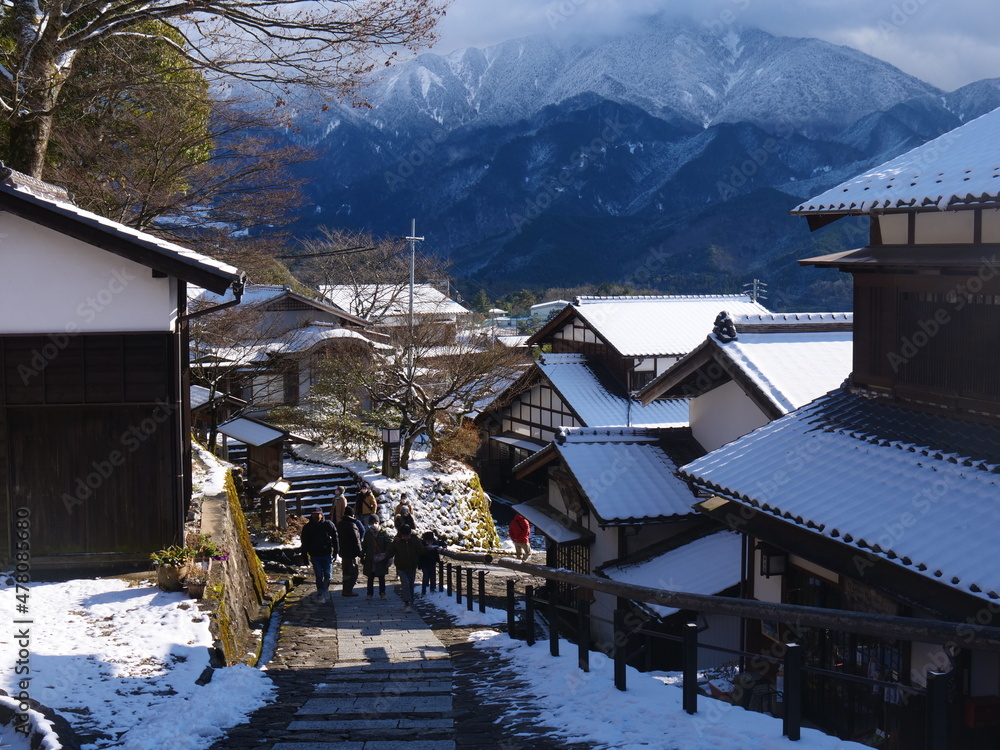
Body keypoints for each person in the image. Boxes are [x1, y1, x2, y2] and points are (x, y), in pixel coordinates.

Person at [298, 506, 339, 597]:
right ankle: (320, 591)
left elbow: (335, 538)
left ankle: (325, 588)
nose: (315, 517)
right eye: (313, 515)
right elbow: (304, 542)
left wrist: (336, 551)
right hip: (315, 554)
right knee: (319, 574)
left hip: (326, 553)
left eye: (317, 515)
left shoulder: (328, 524)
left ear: (322, 515)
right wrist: (304, 556)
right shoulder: (308, 527)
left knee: (328, 575)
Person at [385, 525, 425, 612]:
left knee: (410, 584)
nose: (405, 537)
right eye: (404, 536)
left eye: (407, 535)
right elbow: (390, 551)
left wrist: (426, 548)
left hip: (412, 566)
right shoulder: (397, 541)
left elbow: (421, 550)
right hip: (401, 566)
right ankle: (407, 602)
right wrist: (384, 556)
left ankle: (410, 601)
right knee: (405, 583)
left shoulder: (415, 540)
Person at [362, 515, 391, 600]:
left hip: (381, 559)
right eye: (372, 523)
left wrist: (386, 555)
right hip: (370, 559)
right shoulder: (368, 533)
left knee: (381, 577)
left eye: (375, 522)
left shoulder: (383, 533)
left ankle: (382, 593)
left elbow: (388, 545)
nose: (374, 524)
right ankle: (369, 593)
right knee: (370, 577)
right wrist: (362, 555)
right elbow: (364, 546)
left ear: (378, 523)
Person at [337, 505, 363, 596]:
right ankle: (349, 590)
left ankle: (345, 589)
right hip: (352, 553)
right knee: (354, 572)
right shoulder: (352, 525)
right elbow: (356, 540)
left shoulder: (339, 524)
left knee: (346, 572)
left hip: (343, 552)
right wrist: (360, 552)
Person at [419, 530, 442, 595]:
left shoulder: (434, 545)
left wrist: (437, 560)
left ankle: (432, 588)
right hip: (424, 563)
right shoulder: (422, 546)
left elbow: (440, 543)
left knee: (432, 576)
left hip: (432, 563)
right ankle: (424, 590)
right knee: (425, 576)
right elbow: (420, 555)